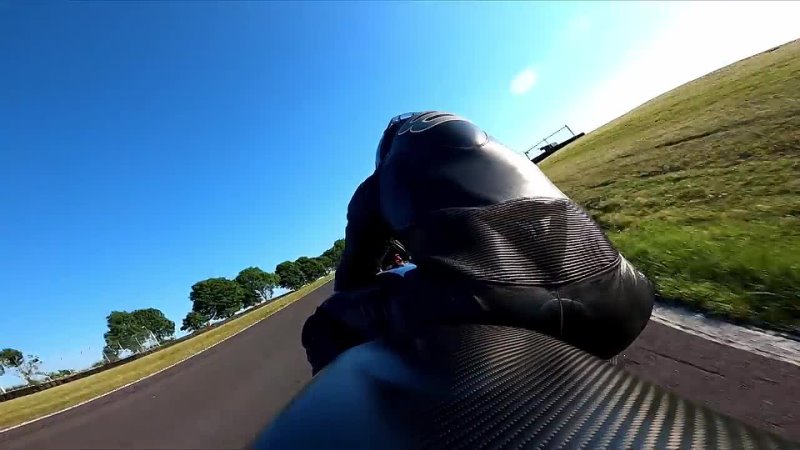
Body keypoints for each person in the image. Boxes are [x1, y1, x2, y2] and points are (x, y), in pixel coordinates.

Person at [301, 111, 655, 375]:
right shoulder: (511, 155)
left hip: (506, 323)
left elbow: (353, 280)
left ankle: (365, 417)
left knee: (324, 323)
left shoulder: (377, 184)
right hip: (627, 298)